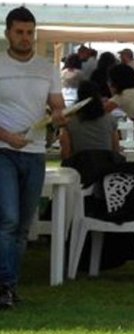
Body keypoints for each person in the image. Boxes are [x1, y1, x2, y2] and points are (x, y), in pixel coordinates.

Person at [0, 6, 66, 309]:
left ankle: (9, 285)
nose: (25, 38)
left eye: (30, 33)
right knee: (9, 220)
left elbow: (57, 105)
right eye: (19, 32)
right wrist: (7, 136)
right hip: (4, 151)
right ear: (8, 33)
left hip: (35, 152)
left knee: (24, 225)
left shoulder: (47, 68)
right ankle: (5, 286)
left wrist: (59, 116)